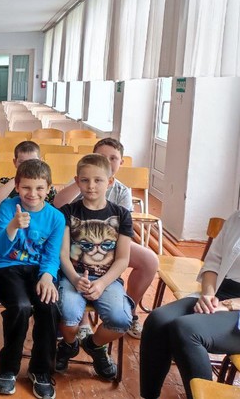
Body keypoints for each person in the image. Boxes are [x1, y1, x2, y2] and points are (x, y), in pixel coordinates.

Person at [53, 137, 158, 339]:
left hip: (109, 243)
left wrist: (102, 281)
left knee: (148, 261)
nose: (107, 162)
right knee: (69, 309)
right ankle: (81, 323)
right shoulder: (78, 189)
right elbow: (58, 205)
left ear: (120, 162)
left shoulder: (121, 193)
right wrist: (83, 180)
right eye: (101, 157)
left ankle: (129, 312)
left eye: (113, 158)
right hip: (77, 246)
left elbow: (121, 239)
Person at [140, 209, 240, 399]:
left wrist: (227, 305)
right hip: (218, 292)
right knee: (158, 320)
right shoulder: (239, 218)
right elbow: (213, 262)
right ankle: (149, 396)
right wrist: (208, 294)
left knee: (187, 329)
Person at [55, 154, 134, 381]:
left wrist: (101, 283)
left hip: (107, 279)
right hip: (73, 276)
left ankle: (94, 345)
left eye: (98, 180)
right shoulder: (68, 212)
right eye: (85, 180)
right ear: (77, 181)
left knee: (121, 321)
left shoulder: (121, 215)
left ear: (110, 182)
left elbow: (122, 259)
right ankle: (68, 345)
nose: (91, 186)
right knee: (68, 316)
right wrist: (74, 278)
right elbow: (62, 254)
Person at [0, 159, 64, 398]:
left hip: (39, 271)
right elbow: (0, 249)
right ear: (17, 186)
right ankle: (8, 368)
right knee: (21, 307)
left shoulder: (56, 217)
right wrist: (13, 226)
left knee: (49, 306)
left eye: (39, 188)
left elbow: (52, 255)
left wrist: (47, 277)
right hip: (8, 267)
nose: (32, 193)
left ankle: (40, 370)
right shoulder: (8, 207)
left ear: (49, 188)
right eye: (26, 187)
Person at [0, 141, 57, 209]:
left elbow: (56, 207)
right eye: (22, 162)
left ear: (41, 161)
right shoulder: (4, 182)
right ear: (15, 162)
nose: (27, 166)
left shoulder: (44, 186)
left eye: (33, 161)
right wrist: (18, 178)